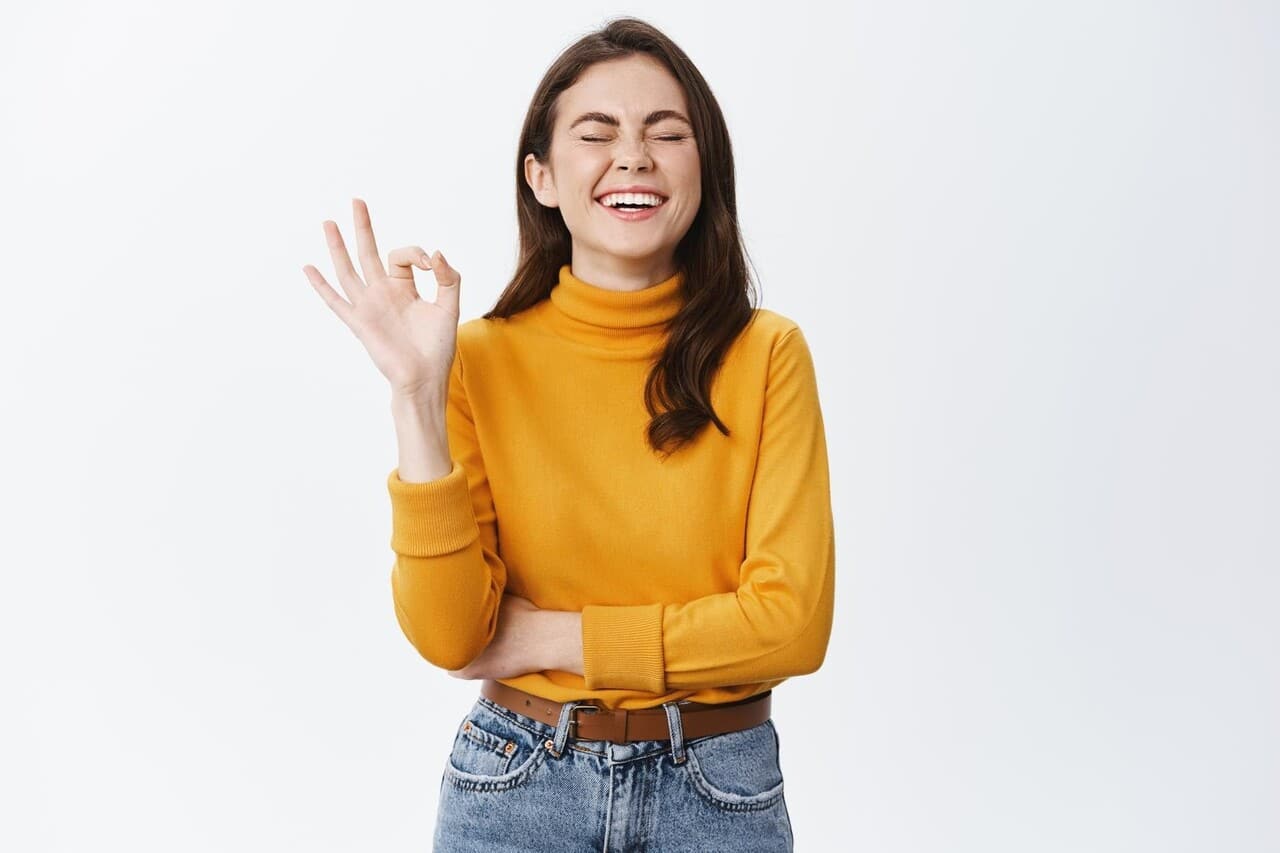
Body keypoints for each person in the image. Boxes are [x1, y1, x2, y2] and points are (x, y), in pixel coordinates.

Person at [304, 16, 834, 852]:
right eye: (597, 134)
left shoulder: (767, 354)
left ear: (705, 170)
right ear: (542, 176)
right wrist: (416, 393)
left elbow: (791, 624)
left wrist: (553, 636)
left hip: (718, 789)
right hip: (515, 782)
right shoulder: (474, 360)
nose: (634, 157)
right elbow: (451, 636)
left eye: (668, 133)